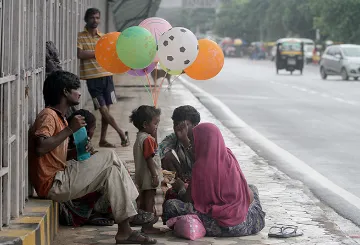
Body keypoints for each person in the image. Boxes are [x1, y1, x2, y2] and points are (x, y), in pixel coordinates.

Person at [28, 70, 156, 244]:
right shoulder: (48, 116)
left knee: (112, 171)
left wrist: (77, 151)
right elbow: (41, 147)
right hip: (52, 183)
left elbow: (53, 154)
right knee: (110, 155)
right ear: (65, 92)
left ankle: (125, 231)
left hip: (61, 175)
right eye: (75, 88)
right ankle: (133, 207)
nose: (80, 92)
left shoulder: (61, 118)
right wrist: (69, 130)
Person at [162, 123, 266, 237]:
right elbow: (247, 194)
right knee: (252, 188)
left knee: (171, 205)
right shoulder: (229, 155)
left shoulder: (200, 167)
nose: (191, 146)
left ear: (202, 143)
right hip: (252, 222)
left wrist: (181, 188)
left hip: (221, 226)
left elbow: (189, 200)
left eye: (192, 141)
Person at [77, 8, 129, 148]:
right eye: (92, 17)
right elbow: (80, 54)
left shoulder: (104, 37)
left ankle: (103, 140)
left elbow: (111, 54)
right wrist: (99, 52)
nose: (95, 20)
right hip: (93, 80)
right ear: (86, 19)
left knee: (107, 111)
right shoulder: (80, 36)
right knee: (103, 110)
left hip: (107, 76)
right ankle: (121, 133)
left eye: (97, 17)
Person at [59, 109, 114, 227]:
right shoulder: (68, 144)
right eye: (94, 128)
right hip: (73, 190)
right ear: (88, 131)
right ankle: (97, 212)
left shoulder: (74, 141)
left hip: (75, 184)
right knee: (110, 171)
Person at [130, 106, 164, 234]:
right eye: (155, 123)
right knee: (150, 199)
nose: (156, 127)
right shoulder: (148, 139)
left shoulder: (140, 137)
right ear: (145, 124)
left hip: (141, 175)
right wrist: (155, 176)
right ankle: (148, 226)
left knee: (144, 198)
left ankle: (140, 221)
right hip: (149, 175)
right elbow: (150, 159)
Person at [158, 105, 201, 183]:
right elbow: (157, 151)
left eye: (184, 125)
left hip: (202, 177)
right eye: (176, 124)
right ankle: (179, 181)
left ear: (195, 125)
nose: (179, 128)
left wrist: (185, 142)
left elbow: (202, 163)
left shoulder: (204, 138)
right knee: (166, 156)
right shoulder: (175, 137)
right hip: (185, 176)